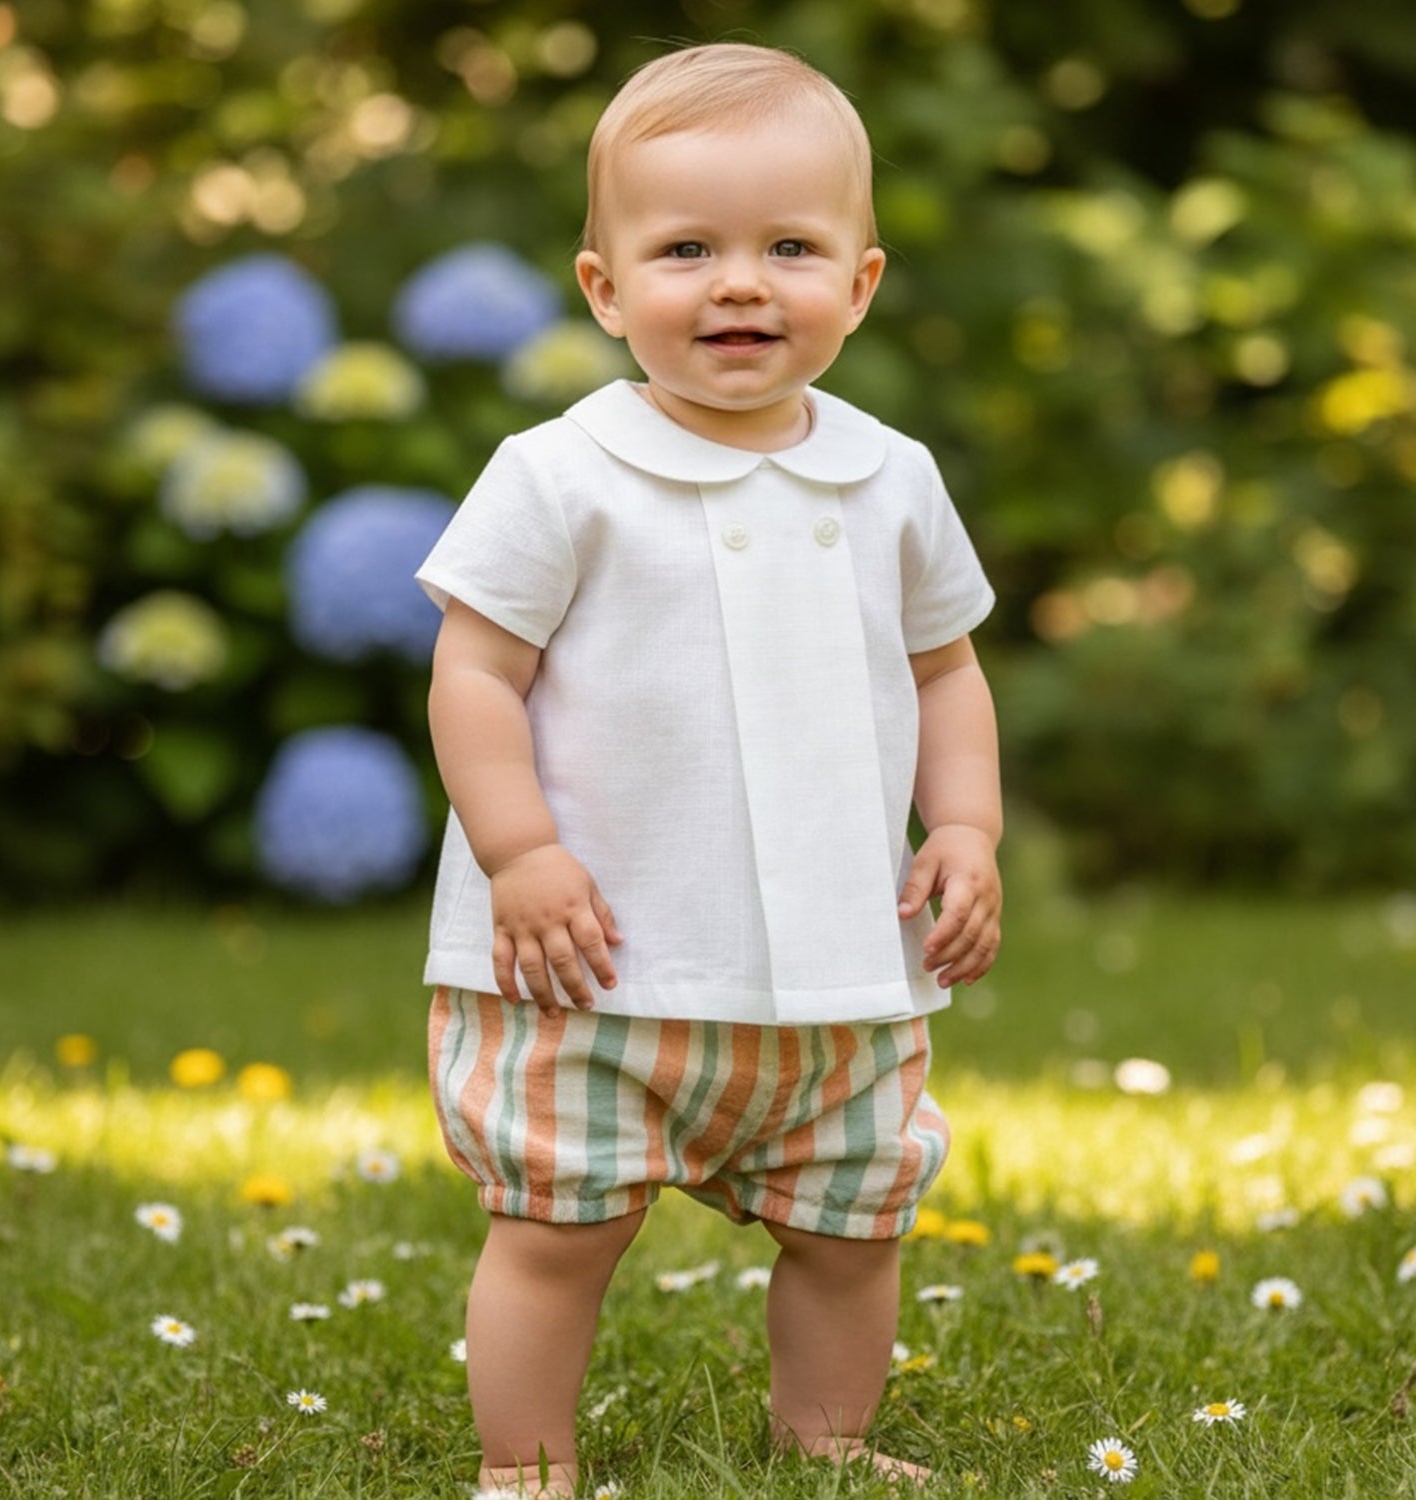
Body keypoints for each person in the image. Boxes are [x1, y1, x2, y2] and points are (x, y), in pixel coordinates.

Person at [417, 40, 1002, 1497]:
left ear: (859, 284)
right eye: (687, 249)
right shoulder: (560, 474)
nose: (741, 283)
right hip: (592, 969)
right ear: (606, 288)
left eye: (789, 247)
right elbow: (474, 675)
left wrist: (967, 826)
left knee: (852, 1229)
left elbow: (945, 668)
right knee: (560, 1232)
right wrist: (518, 851)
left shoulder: (891, 477)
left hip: (837, 980)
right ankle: (524, 1470)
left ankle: (828, 1441)